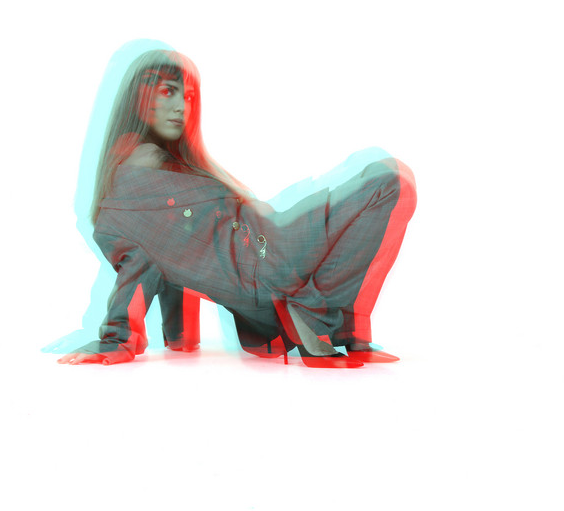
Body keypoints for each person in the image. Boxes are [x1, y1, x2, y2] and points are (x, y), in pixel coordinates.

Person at [57, 48, 417, 369]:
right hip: (275, 263)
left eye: (188, 96)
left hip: (273, 247)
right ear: (138, 97)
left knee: (389, 181)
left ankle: (322, 320)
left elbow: (167, 262)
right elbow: (143, 266)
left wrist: (180, 340)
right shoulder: (135, 185)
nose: (182, 106)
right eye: (168, 91)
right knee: (389, 179)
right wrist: (115, 339)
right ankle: (316, 317)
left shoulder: (169, 167)